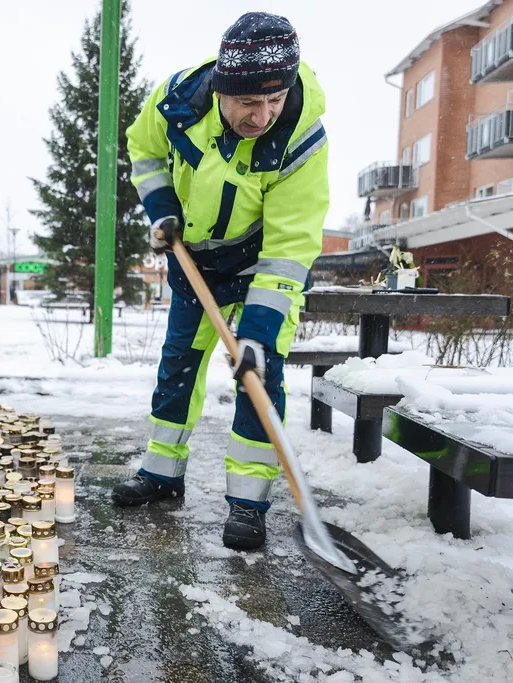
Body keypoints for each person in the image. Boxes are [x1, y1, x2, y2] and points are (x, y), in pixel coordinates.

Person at [113, 12, 328, 550]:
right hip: (194, 261)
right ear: (222, 92)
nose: (264, 115)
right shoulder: (178, 101)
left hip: (261, 267)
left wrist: (256, 328)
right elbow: (143, 150)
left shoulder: (299, 138)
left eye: (275, 101)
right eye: (250, 104)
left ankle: (248, 502)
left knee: (259, 380)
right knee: (178, 366)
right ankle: (161, 474)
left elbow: (290, 247)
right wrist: (161, 208)